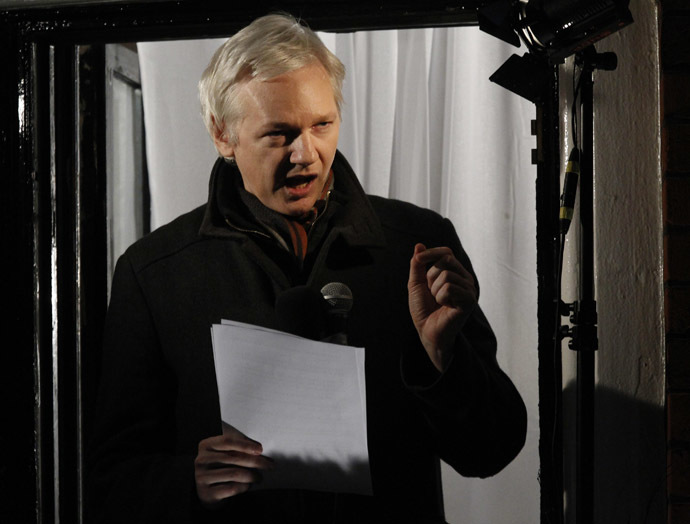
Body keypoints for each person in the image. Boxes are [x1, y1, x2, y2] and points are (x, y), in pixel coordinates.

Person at [88, 13, 527, 524]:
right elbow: (109, 483)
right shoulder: (155, 272)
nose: (307, 154)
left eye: (321, 125)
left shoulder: (416, 245)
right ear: (222, 134)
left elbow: (491, 451)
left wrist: (443, 360)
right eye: (278, 134)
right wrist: (187, 481)